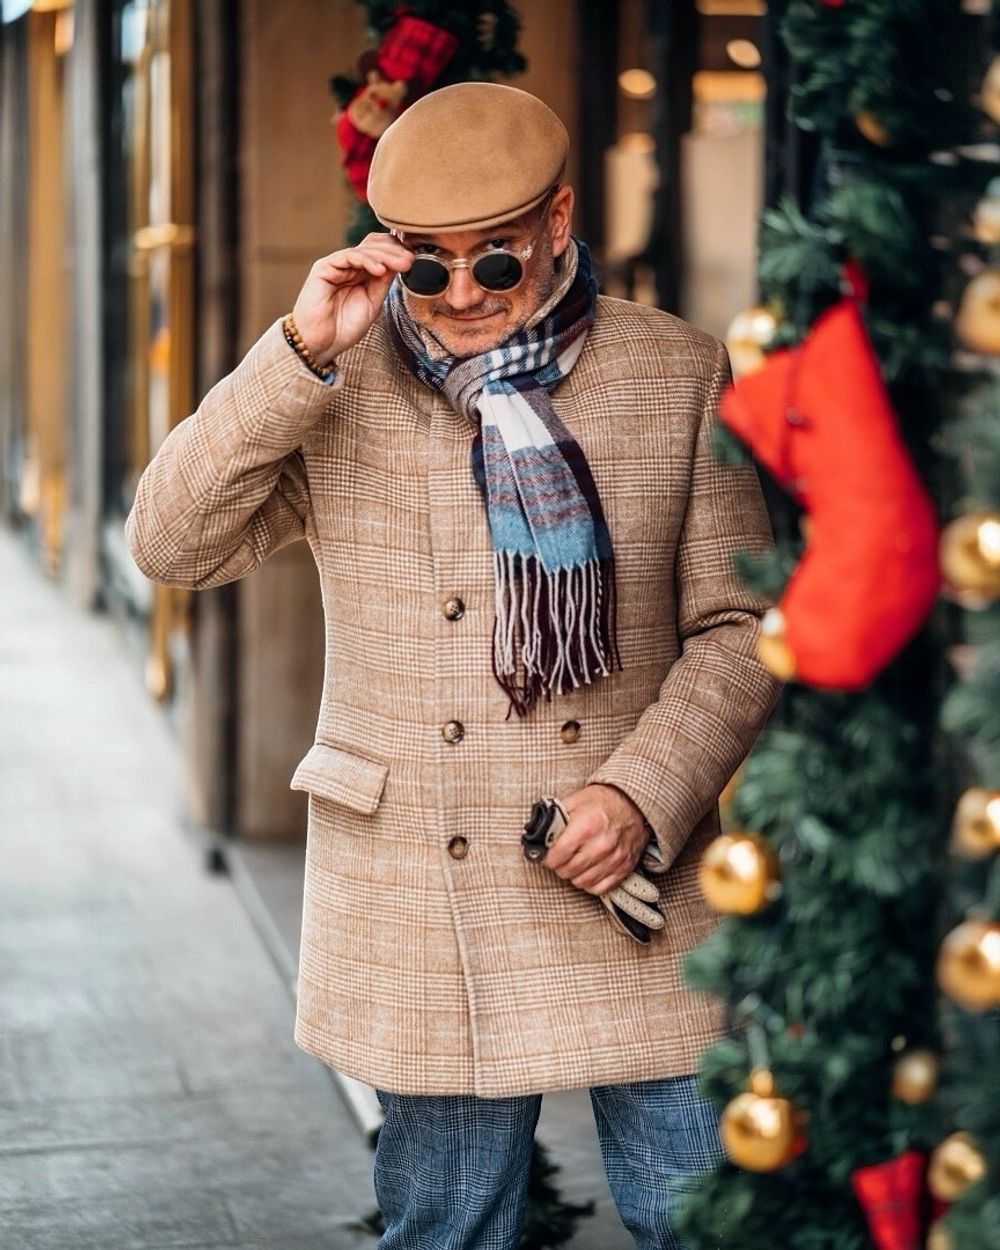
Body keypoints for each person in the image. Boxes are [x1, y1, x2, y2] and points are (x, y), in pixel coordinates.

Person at [126, 81, 784, 1250]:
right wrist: (292, 353)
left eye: (497, 259)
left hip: (628, 874)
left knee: (704, 1214)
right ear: (387, 255)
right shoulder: (336, 381)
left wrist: (641, 791)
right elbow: (171, 543)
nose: (465, 295)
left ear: (559, 219)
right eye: (428, 268)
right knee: (445, 1227)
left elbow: (739, 628)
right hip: (423, 885)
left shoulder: (675, 371)